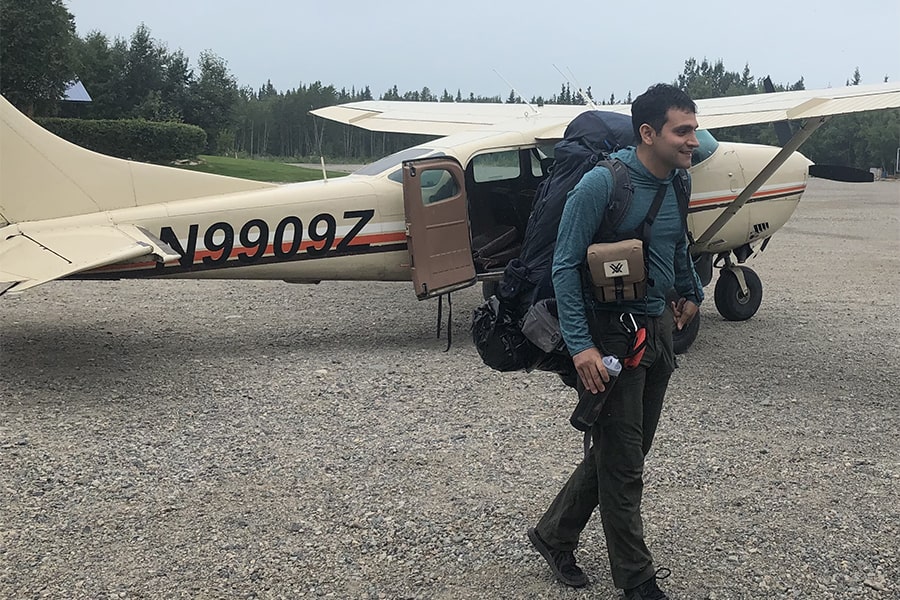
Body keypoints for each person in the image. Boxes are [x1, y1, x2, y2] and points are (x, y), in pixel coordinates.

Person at [527, 84, 704, 600]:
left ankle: (553, 533)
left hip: (660, 334)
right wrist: (580, 347)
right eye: (683, 130)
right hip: (609, 340)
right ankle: (637, 581)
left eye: (694, 129)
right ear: (648, 133)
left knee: (624, 450)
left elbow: (678, 246)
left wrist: (691, 293)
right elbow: (564, 264)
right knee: (624, 465)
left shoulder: (677, 183)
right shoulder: (601, 185)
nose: (694, 141)